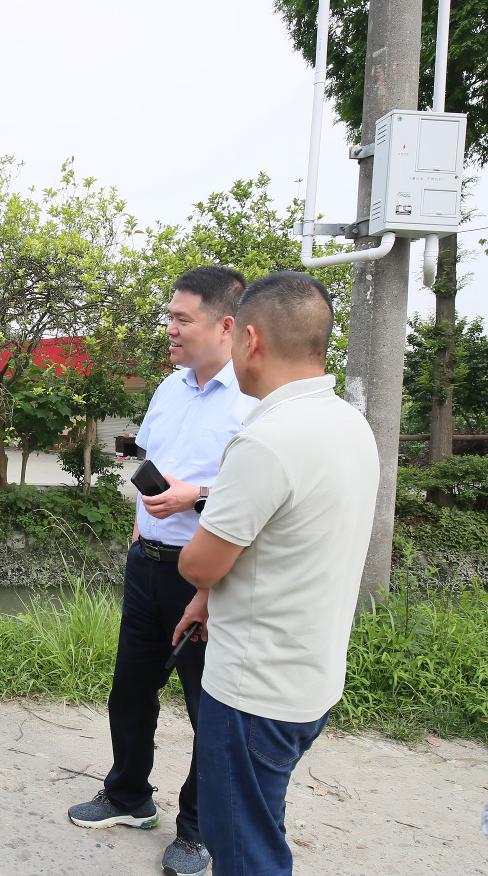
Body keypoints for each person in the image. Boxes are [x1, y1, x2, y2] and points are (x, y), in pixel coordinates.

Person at [174, 272, 379, 875]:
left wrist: (200, 580)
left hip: (253, 690)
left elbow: (198, 562)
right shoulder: (349, 424)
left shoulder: (265, 441)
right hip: (309, 679)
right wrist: (209, 599)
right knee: (261, 824)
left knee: (244, 851)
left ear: (251, 340)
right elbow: (294, 542)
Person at [68, 266, 256, 876]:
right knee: (130, 689)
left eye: (182, 319)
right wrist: (140, 532)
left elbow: (259, 495)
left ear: (225, 325)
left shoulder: (253, 399)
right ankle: (128, 795)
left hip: (207, 576)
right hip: (147, 564)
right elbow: (149, 463)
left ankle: (198, 830)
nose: (170, 328)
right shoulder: (170, 388)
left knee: (208, 707)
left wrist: (194, 496)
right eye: (169, 317)